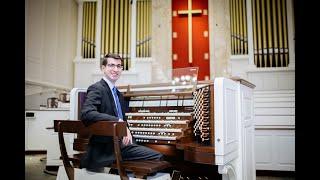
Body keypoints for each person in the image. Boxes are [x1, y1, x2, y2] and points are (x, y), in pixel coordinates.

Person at [80, 53, 163, 173]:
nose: (115, 69)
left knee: (156, 155)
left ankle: (118, 173)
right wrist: (117, 121)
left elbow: (123, 120)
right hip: (106, 148)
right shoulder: (97, 88)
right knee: (157, 157)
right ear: (103, 68)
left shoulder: (118, 94)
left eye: (119, 66)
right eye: (111, 65)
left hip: (121, 145)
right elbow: (86, 113)